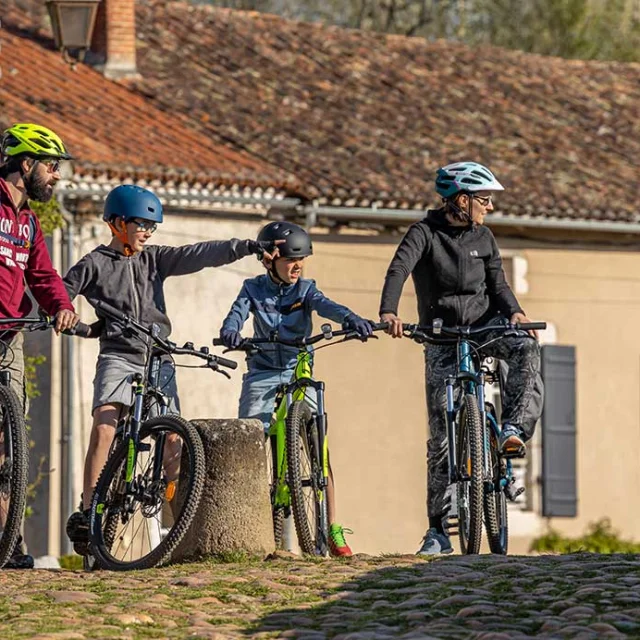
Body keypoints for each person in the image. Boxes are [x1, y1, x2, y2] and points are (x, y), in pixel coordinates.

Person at [63, 184, 279, 554]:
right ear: (117, 223)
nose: (148, 232)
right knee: (105, 425)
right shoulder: (93, 264)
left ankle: (178, 528)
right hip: (118, 354)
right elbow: (61, 294)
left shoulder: (155, 260)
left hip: (158, 357)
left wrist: (244, 246)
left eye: (153, 226)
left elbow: (198, 254)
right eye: (141, 224)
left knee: (174, 441)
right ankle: (89, 510)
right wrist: (71, 319)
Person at [379, 161, 542, 555]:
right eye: (484, 199)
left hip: (485, 328)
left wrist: (516, 313)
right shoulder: (423, 234)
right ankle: (438, 530)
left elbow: (498, 284)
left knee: (526, 348)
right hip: (441, 337)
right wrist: (389, 312)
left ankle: (511, 429)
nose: (489, 207)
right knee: (439, 438)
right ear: (462, 200)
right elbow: (399, 269)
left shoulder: (483, 237)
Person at [220, 221, 373, 557]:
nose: (297, 266)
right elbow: (236, 315)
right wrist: (230, 331)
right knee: (248, 437)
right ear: (268, 260)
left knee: (320, 447)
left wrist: (351, 319)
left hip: (297, 369)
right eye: (290, 259)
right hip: (261, 371)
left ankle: (332, 527)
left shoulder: (305, 290)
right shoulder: (251, 289)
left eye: (301, 259)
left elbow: (326, 305)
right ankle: (251, 522)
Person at [0, 123, 80, 569]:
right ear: (26, 164)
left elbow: (44, 276)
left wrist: (61, 308)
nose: (57, 176)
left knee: (10, 448)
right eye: (51, 166)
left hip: (9, 336)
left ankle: (10, 546)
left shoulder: (28, 222)